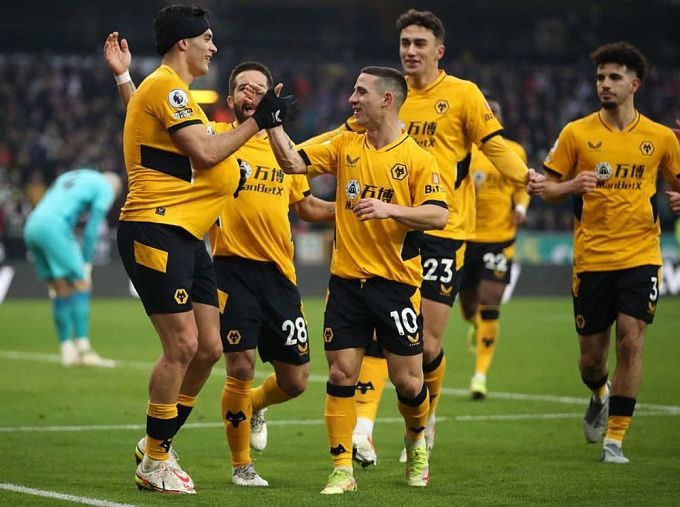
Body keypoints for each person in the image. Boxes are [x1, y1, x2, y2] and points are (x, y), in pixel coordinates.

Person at [319, 9, 545, 462]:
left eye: (420, 43)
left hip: (443, 228)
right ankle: (363, 430)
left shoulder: (463, 95)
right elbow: (339, 138)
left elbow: (495, 146)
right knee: (378, 334)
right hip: (385, 230)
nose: (410, 51)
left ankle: (424, 423)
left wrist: (526, 178)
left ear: (439, 51)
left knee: (425, 344)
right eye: (405, 43)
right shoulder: (388, 97)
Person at [104, 37, 331, 487]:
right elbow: (150, 120)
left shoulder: (285, 152)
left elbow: (306, 206)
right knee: (229, 362)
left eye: (259, 89)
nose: (251, 94)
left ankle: (218, 421)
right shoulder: (217, 136)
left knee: (295, 379)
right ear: (231, 100)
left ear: (271, 96)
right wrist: (124, 78)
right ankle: (221, 462)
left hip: (280, 273)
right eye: (243, 88)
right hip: (227, 266)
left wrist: (355, 208)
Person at [267, 66, 448, 494]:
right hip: (347, 284)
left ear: (387, 99)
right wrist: (271, 122)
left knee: (409, 382)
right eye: (353, 90)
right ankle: (341, 469)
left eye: (361, 91)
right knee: (340, 374)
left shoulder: (418, 159)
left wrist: (390, 210)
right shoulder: (344, 144)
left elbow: (439, 215)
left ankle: (416, 443)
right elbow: (292, 161)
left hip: (396, 286)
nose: (352, 98)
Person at [542, 41, 680, 464]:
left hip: (641, 255)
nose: (605, 83)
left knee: (631, 341)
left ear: (634, 84)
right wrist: (571, 185)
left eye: (614, 77)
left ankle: (615, 440)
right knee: (591, 362)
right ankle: (599, 392)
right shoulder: (576, 133)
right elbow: (546, 188)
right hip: (592, 259)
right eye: (601, 76)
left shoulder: (661, 137)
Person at [459, 98, 531, 400]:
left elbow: (522, 186)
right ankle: (475, 325)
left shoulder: (514, 152)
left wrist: (521, 208)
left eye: (494, 114)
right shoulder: (465, 151)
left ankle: (480, 376)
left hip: (501, 239)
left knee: (490, 302)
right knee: (468, 308)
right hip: (465, 238)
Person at [23, 168, 122, 367]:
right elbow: (93, 229)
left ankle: (66, 349)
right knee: (81, 284)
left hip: (32, 226)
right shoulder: (105, 187)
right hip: (54, 227)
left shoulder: (73, 175)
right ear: (115, 189)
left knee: (61, 288)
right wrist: (86, 264)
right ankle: (84, 350)